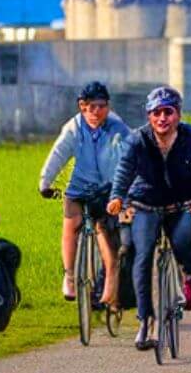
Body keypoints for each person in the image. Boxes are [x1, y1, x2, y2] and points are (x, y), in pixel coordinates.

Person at [107, 86, 191, 352]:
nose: (162, 118)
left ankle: (188, 275)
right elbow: (124, 171)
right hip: (146, 204)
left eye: (168, 112)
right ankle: (146, 320)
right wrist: (117, 197)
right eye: (156, 113)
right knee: (142, 256)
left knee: (183, 240)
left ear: (178, 114)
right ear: (149, 115)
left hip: (183, 203)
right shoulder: (137, 139)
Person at [38, 80, 132, 306]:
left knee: (105, 233)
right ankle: (69, 275)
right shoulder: (74, 127)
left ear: (108, 107)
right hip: (79, 187)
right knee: (71, 222)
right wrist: (45, 182)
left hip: (107, 190)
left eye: (101, 106)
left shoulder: (117, 127)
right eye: (91, 107)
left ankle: (110, 284)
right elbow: (58, 154)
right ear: (82, 106)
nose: (96, 112)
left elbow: (130, 155)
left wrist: (128, 191)